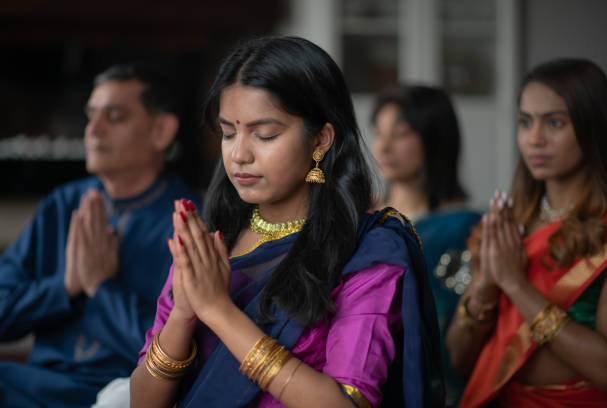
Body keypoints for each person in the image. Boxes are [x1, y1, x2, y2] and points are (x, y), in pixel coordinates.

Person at [130, 36, 444, 408]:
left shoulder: (367, 250)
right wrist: (183, 314)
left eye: (265, 135)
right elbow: (143, 403)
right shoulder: (213, 238)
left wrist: (218, 311)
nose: (238, 154)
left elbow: (347, 404)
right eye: (228, 133)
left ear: (321, 140)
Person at [0, 64, 203, 407]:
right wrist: (65, 287)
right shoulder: (63, 204)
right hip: (38, 384)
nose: (93, 130)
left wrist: (101, 287)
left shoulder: (188, 223)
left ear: (161, 131)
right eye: (91, 115)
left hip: (123, 390)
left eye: (115, 116)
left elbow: (177, 351)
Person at [446, 58, 607, 407]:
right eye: (525, 122)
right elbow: (459, 358)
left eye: (554, 123)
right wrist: (487, 286)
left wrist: (516, 284)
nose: (535, 139)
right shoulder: (508, 225)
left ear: (591, 126)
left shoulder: (606, 233)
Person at [372, 85, 481, 406]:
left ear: (435, 139)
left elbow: (454, 344)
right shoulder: (360, 219)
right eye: (378, 132)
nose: (384, 146)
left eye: (401, 133)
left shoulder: (468, 229)